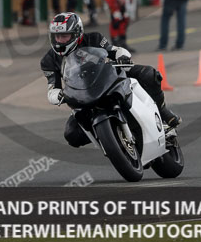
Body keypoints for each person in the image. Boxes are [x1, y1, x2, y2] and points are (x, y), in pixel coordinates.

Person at [40, 11, 181, 148]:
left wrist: (122, 55)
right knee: (71, 135)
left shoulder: (94, 38)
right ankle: (108, 138)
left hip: (107, 77)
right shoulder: (48, 60)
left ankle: (163, 114)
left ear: (77, 33)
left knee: (149, 74)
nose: (59, 41)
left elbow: (114, 50)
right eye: (56, 37)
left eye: (64, 36)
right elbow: (53, 87)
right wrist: (57, 95)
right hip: (81, 94)